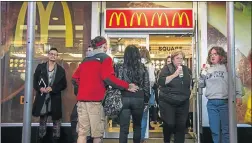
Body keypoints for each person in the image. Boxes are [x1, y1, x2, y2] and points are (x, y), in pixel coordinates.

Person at [72, 36, 139, 143]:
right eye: (106, 45)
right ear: (103, 46)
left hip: (81, 101)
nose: (107, 47)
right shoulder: (105, 58)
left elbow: (74, 78)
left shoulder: (85, 60)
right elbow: (109, 78)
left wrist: (85, 87)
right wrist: (127, 86)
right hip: (95, 102)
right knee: (97, 135)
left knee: (82, 133)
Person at [199, 46, 243, 143]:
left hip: (225, 103)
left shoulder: (227, 67)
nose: (212, 56)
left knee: (226, 130)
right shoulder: (207, 69)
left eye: (215, 54)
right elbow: (201, 85)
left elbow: (236, 81)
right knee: (215, 131)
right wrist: (202, 75)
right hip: (211, 104)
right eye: (211, 54)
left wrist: (238, 95)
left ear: (221, 56)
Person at [32, 47, 67, 143]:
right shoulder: (40, 67)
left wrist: (53, 88)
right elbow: (34, 82)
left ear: (57, 57)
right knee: (42, 119)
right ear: (48, 55)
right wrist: (40, 88)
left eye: (55, 54)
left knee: (56, 120)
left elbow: (64, 85)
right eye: (51, 54)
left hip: (54, 97)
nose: (53, 56)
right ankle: (41, 138)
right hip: (43, 97)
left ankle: (56, 139)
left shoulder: (61, 70)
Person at [116, 45, 150, 143]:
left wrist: (126, 87)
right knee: (137, 126)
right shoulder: (143, 67)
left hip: (124, 98)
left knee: (123, 128)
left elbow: (117, 83)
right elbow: (146, 86)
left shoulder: (120, 67)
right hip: (138, 98)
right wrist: (146, 101)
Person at [158, 51, 192, 143]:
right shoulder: (166, 68)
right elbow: (161, 81)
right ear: (173, 59)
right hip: (168, 102)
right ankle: (167, 140)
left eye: (181, 58)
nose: (179, 60)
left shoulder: (186, 70)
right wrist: (175, 75)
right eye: (177, 58)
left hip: (183, 102)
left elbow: (189, 84)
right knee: (170, 124)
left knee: (181, 126)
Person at [71, 46, 93, 143]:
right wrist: (81, 86)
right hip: (81, 99)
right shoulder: (82, 65)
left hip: (93, 100)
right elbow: (74, 79)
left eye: (90, 50)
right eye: (87, 50)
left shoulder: (98, 65)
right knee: (75, 119)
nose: (88, 52)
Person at [139, 47, 155, 143]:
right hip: (146, 94)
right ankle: (141, 138)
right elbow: (152, 80)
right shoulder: (149, 65)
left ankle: (136, 136)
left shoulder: (135, 65)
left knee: (136, 116)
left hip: (135, 94)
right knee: (144, 117)